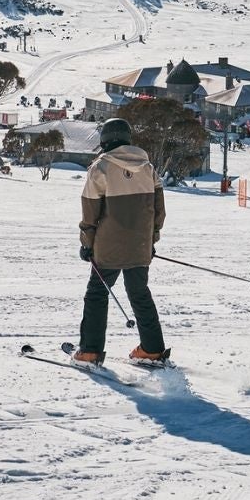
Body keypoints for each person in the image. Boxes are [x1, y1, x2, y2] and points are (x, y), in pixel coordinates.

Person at [74, 118, 169, 366]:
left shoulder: (101, 167)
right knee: (139, 293)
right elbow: (159, 212)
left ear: (105, 140)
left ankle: (90, 351)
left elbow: (90, 213)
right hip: (139, 246)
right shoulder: (148, 168)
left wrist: (87, 244)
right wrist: (151, 239)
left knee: (97, 294)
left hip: (109, 247)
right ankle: (152, 349)